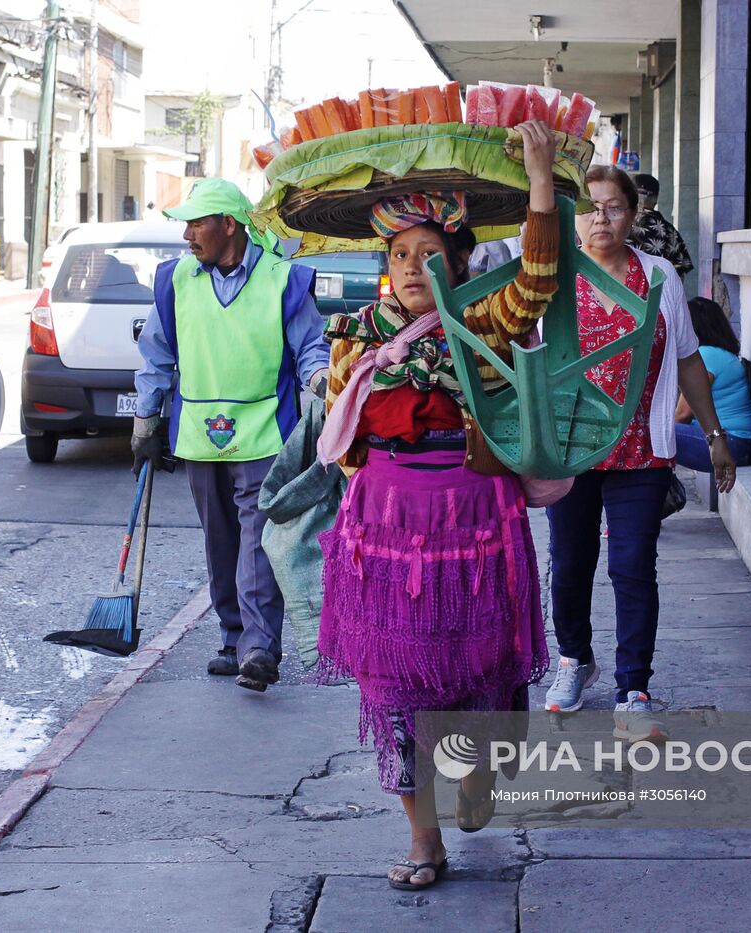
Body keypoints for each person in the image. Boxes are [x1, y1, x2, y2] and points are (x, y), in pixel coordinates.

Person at [318, 120, 560, 892]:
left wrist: (541, 176)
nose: (414, 267)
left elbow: (539, 277)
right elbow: (348, 444)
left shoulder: (483, 321)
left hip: (474, 525)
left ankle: (478, 774)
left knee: (480, 674)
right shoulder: (355, 341)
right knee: (393, 689)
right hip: (383, 535)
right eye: (399, 255)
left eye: (430, 253)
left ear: (459, 260)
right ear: (386, 268)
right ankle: (425, 841)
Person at [543, 165, 735, 740]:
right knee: (569, 563)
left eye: (613, 207)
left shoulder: (658, 277)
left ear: (634, 215)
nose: (601, 218)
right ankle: (575, 659)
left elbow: (687, 361)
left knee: (633, 568)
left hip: (641, 453)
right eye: (589, 208)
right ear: (574, 218)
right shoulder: (551, 274)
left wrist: (717, 439)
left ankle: (634, 688)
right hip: (572, 451)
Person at [131, 178, 328, 692]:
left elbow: (310, 345)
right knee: (220, 540)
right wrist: (146, 421)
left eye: (198, 223)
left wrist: (319, 378)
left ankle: (259, 647)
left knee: (258, 539)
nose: (188, 235)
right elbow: (157, 352)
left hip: (265, 431)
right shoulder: (176, 281)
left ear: (230, 225)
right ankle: (232, 637)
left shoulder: (282, 280)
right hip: (200, 434)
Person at [675, 297, 751, 470]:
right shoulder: (722, 354)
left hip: (731, 443)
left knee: (648, 435)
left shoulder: (705, 355)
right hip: (739, 444)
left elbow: (682, 415)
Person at [627, 173, 693, 278]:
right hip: (658, 293)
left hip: (620, 292)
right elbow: (680, 272)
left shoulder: (621, 225)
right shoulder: (670, 232)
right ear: (656, 199)